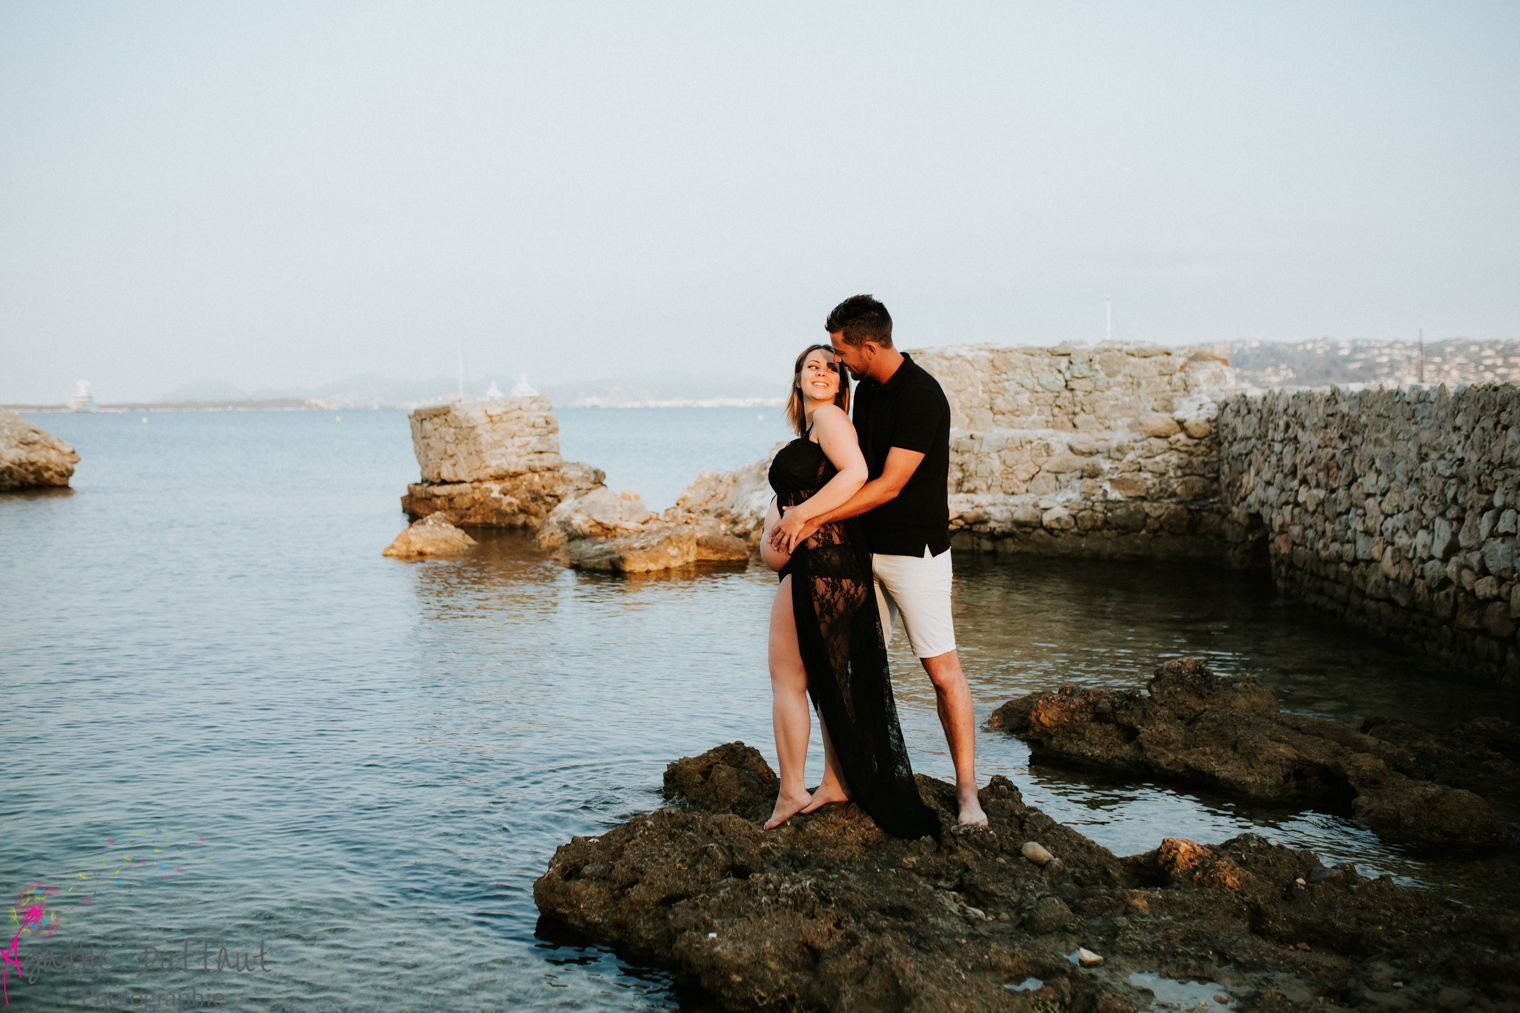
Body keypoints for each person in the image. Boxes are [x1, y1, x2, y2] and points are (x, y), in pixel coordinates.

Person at [773, 295, 988, 827]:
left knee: (942, 673)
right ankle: (837, 780)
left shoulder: (922, 396)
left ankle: (968, 796)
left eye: (843, 352)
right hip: (859, 555)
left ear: (869, 346)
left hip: (916, 553)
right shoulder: (862, 393)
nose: (838, 362)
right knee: (844, 669)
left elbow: (887, 485)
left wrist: (811, 519)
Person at [759, 344, 940, 838]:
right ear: (796, 378)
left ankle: (792, 790)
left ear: (842, 384)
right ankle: (836, 781)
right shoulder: (817, 427)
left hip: (819, 569)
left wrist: (801, 515)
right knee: (827, 680)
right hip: (831, 567)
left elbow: (858, 474)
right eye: (811, 367)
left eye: (831, 367)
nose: (821, 373)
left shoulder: (830, 421)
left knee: (789, 682)